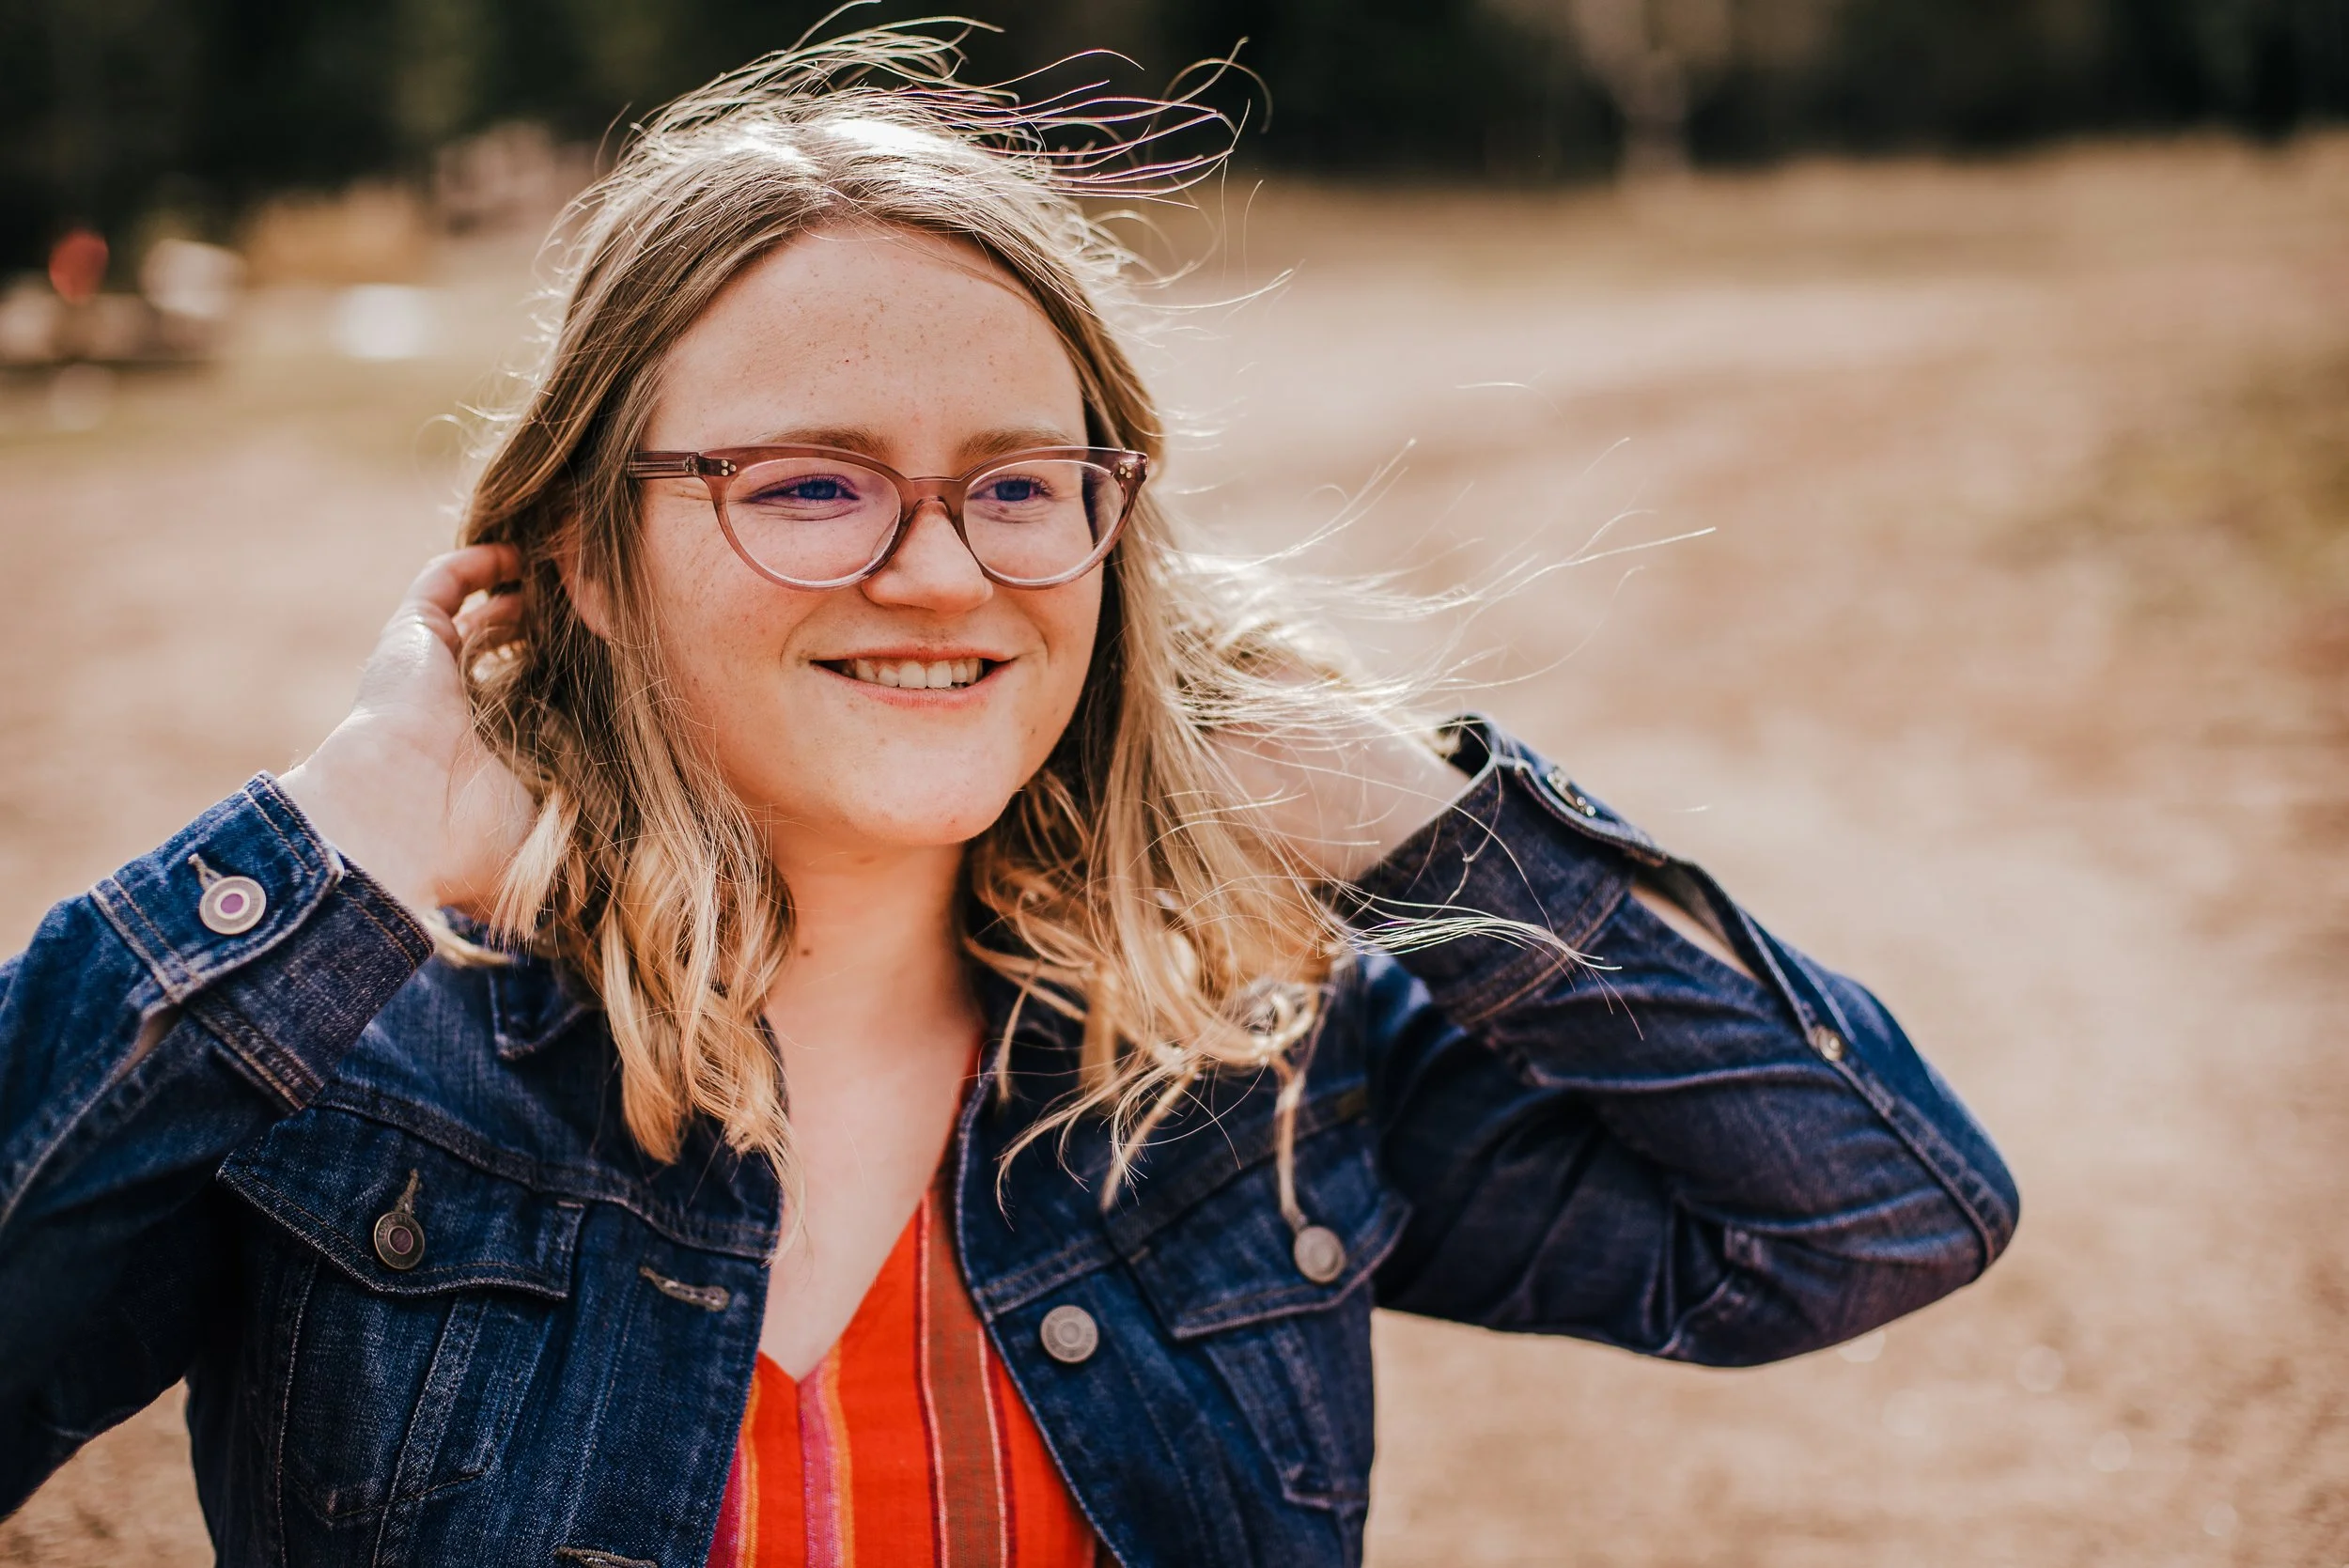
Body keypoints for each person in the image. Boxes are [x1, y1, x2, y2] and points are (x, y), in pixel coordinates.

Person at [0, 29, 2017, 1568]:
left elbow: (1870, 1219)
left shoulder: (1248, 1062)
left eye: (1017, 484)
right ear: (589, 557)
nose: (945, 569)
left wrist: (1417, 828)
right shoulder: (333, 1063)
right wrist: (336, 839)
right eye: (808, 481)